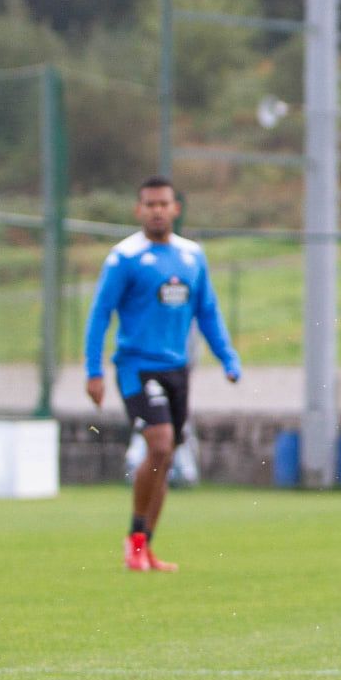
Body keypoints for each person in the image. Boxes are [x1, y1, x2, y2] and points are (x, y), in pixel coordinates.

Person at [85, 176, 241, 570]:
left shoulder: (192, 256)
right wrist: (93, 370)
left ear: (176, 208)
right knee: (159, 443)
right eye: (149, 204)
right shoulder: (124, 258)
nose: (157, 210)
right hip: (136, 367)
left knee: (166, 456)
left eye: (164, 204)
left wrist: (227, 357)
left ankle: (144, 545)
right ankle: (133, 542)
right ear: (139, 211)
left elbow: (207, 310)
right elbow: (100, 314)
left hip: (178, 370)